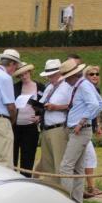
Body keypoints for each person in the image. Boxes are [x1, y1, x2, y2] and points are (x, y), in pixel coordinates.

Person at [59, 59, 102, 203]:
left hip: (79, 131)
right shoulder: (85, 85)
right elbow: (100, 104)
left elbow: (95, 105)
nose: (65, 81)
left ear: (72, 76)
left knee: (66, 167)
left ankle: (65, 202)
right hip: (80, 130)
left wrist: (82, 121)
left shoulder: (83, 86)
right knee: (78, 169)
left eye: (66, 78)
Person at [35, 58, 68, 188]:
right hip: (45, 127)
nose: (50, 77)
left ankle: (63, 190)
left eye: (52, 74)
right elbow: (43, 104)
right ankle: (51, 189)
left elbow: (73, 105)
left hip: (59, 127)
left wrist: (56, 107)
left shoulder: (67, 86)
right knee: (47, 162)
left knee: (59, 162)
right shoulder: (49, 87)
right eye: (49, 75)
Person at [11, 61, 39, 176]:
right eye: (21, 75)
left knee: (28, 156)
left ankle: (26, 179)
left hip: (31, 126)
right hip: (15, 126)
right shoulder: (15, 87)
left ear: (29, 72)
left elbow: (44, 105)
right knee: (12, 155)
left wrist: (40, 116)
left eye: (25, 73)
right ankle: (11, 179)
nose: (24, 76)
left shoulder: (40, 86)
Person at [82, 66, 102, 199]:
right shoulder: (85, 89)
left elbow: (95, 109)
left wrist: (98, 126)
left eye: (97, 74)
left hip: (88, 127)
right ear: (86, 76)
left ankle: (90, 187)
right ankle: (90, 187)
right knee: (90, 157)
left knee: (88, 158)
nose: (95, 76)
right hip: (81, 127)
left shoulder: (95, 89)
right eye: (91, 74)